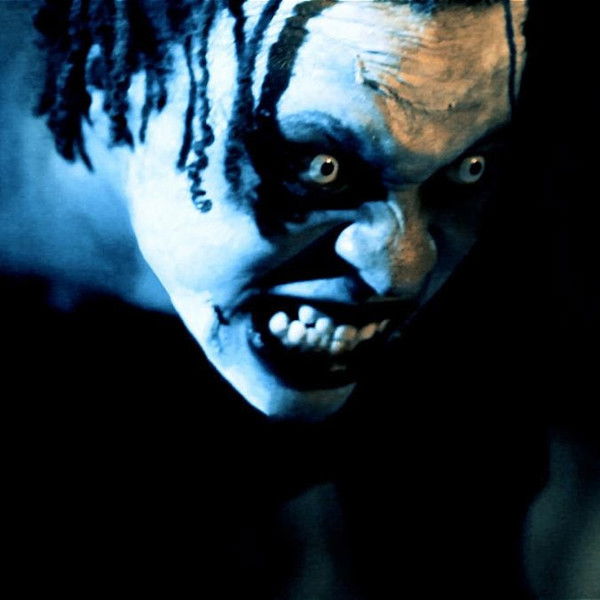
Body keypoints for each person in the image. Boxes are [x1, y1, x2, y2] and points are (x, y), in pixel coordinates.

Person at [13, 1, 595, 598]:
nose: (404, 268)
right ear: (116, 79)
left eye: (470, 168)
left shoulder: (473, 339)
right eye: (324, 168)